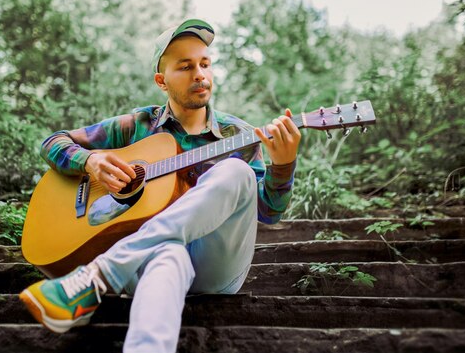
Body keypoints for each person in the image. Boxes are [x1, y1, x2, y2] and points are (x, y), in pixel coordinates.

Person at [19, 18, 301, 353]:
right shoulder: (138, 126)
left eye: (205, 64)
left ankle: (97, 276)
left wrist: (283, 165)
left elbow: (268, 213)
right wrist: (91, 162)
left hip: (217, 264)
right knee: (169, 252)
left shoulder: (238, 135)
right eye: (185, 66)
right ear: (161, 81)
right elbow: (53, 142)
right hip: (152, 262)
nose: (199, 74)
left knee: (236, 173)